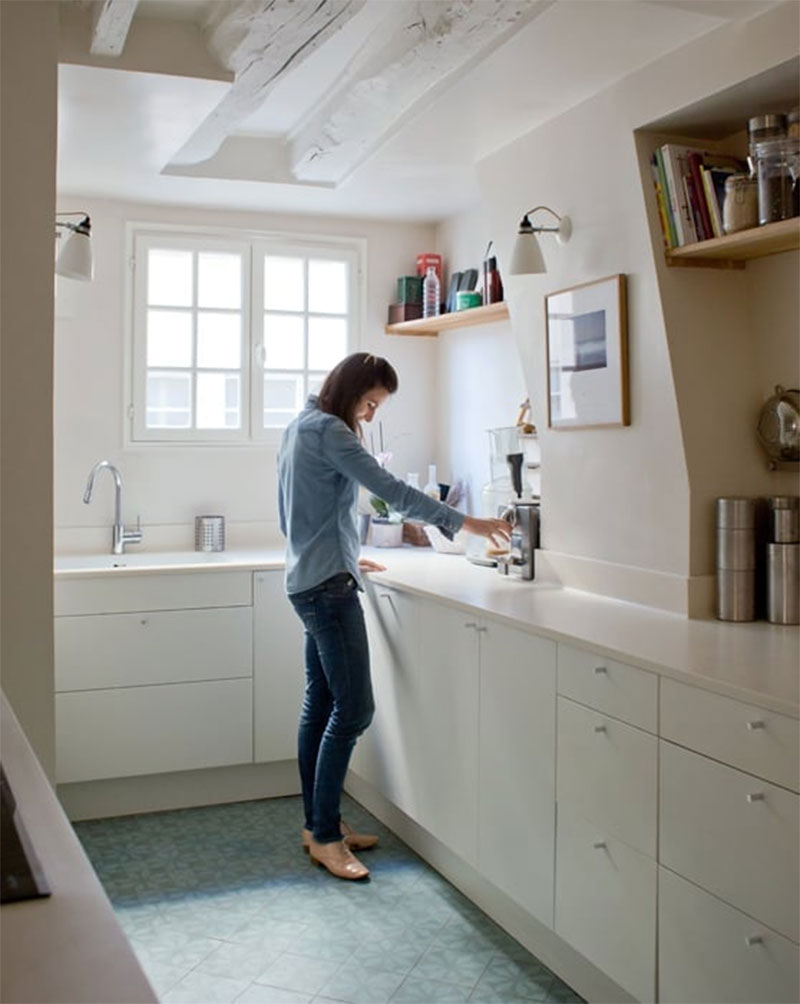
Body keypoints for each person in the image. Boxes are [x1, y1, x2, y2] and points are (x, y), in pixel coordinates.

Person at [278, 352, 511, 880]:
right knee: (354, 709)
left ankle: (319, 827)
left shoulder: (298, 426)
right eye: (370, 403)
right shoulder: (334, 433)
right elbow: (391, 491)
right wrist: (465, 521)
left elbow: (298, 508)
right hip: (327, 590)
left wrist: (340, 552)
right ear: (353, 392)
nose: (371, 415)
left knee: (321, 703)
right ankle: (327, 837)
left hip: (309, 579)